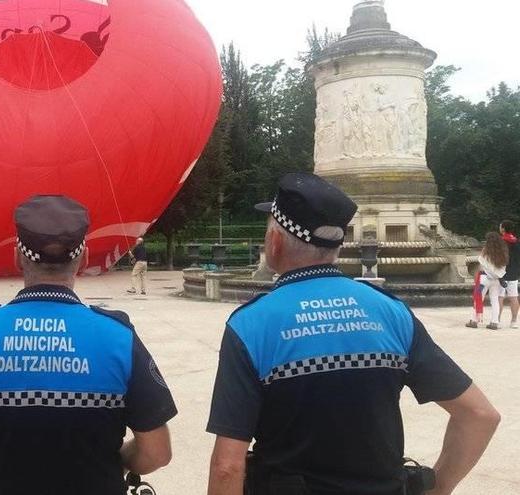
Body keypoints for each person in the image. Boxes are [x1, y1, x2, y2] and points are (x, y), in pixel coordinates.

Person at [206, 173, 500, 495]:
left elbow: (228, 467)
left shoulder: (251, 325)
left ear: (275, 241)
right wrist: (436, 488)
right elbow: (479, 415)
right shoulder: (391, 313)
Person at [0, 195, 177, 495]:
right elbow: (157, 452)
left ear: (17, 257)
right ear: (83, 258)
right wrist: (117, 462)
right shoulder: (118, 338)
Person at [466, 232, 508, 330]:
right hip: (496, 280)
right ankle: (494, 322)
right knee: (495, 301)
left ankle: (474, 321)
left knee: (478, 299)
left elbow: (481, 263)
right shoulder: (503, 252)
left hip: (484, 279)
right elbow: (503, 268)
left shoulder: (486, 251)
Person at [498, 220, 520, 328]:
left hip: (501, 273)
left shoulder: (501, 241)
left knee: (500, 297)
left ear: (503, 229)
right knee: (514, 296)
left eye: (500, 227)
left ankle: (496, 320)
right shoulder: (517, 241)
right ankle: (514, 321)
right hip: (514, 272)